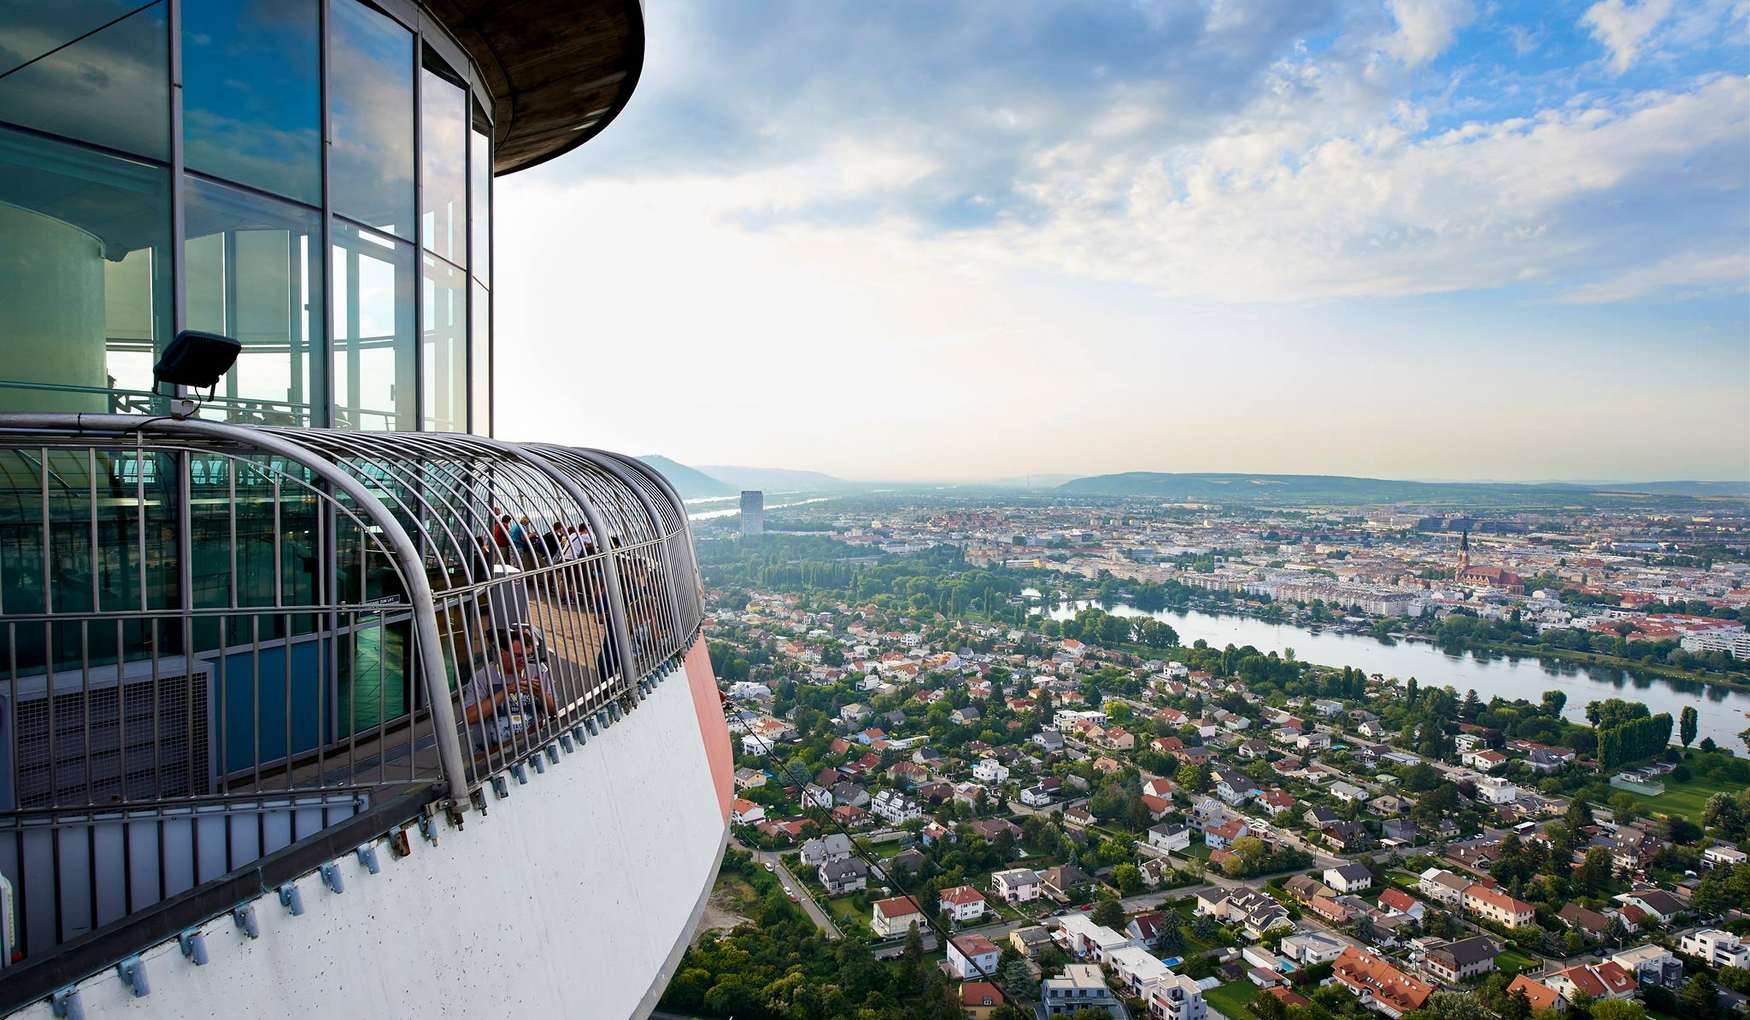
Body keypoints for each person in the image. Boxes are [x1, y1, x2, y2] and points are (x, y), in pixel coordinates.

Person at [461, 630, 557, 752]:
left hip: (533, 745)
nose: (524, 661)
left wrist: (540, 694)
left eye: (528, 655)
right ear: (502, 653)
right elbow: (470, 717)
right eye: (518, 655)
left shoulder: (536, 672)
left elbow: (553, 711)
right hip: (493, 753)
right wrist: (506, 691)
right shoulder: (483, 677)